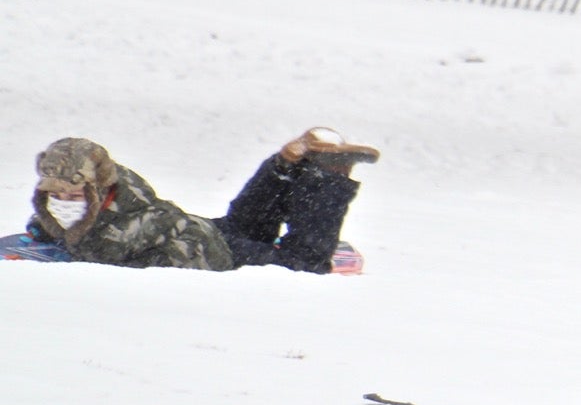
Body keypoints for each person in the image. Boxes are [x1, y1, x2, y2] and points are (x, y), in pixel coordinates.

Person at [25, 128, 378, 272]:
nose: (64, 202)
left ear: (96, 189)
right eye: (55, 196)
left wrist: (54, 232)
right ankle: (285, 165)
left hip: (216, 255)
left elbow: (90, 246)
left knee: (304, 264)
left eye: (73, 194)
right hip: (201, 231)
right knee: (245, 223)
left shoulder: (100, 241)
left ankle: (329, 175)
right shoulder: (124, 187)